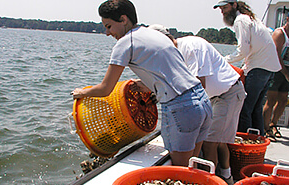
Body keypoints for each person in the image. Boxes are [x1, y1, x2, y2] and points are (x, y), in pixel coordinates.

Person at [71, 0, 213, 167]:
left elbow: (105, 89)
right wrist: (148, 84)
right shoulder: (154, 34)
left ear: (123, 20)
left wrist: (82, 93)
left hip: (182, 108)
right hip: (203, 102)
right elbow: (173, 72)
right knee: (193, 166)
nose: (107, 33)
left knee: (181, 171)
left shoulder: (124, 43)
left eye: (109, 26)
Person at [149, 24, 246, 185]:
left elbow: (196, 85)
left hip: (227, 94)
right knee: (217, 141)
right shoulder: (173, 55)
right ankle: (225, 178)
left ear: (166, 40)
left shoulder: (191, 46)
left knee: (210, 142)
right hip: (211, 97)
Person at [214, 0, 282, 136]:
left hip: (259, 68)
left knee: (244, 108)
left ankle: (243, 144)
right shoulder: (252, 19)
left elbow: (242, 51)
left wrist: (222, 60)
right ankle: (257, 140)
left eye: (225, 8)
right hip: (269, 68)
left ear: (234, 5)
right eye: (221, 9)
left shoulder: (240, 20)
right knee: (256, 108)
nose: (223, 11)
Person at [263, 13, 289, 141]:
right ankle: (266, 128)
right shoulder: (280, 34)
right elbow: (276, 55)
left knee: (283, 100)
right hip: (277, 70)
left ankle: (274, 124)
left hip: (287, 71)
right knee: (271, 100)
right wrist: (285, 73)